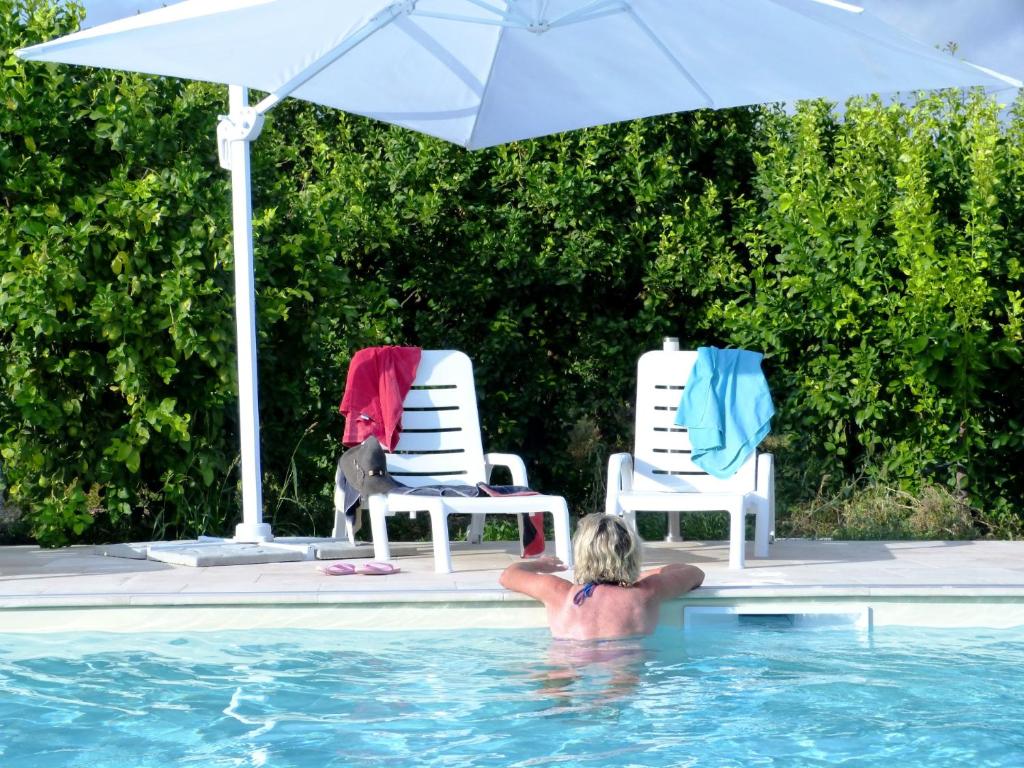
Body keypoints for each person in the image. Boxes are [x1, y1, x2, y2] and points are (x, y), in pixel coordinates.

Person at [499, 512, 705, 641]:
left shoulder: (559, 593)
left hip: (570, 660)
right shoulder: (647, 592)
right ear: (632, 554)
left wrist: (540, 564)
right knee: (621, 684)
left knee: (558, 688)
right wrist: (640, 576)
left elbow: (509, 575)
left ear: (581, 554)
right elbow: (695, 573)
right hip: (623, 664)